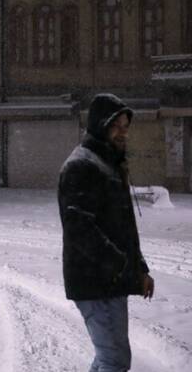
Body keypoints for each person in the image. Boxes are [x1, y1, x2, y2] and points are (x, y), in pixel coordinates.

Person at [58, 93, 154, 371]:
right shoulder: (82, 166)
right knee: (114, 359)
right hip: (94, 283)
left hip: (110, 281)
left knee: (110, 358)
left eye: (125, 127)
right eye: (117, 126)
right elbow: (80, 229)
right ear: (101, 125)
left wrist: (139, 269)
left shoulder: (108, 164)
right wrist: (121, 265)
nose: (123, 133)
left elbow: (121, 228)